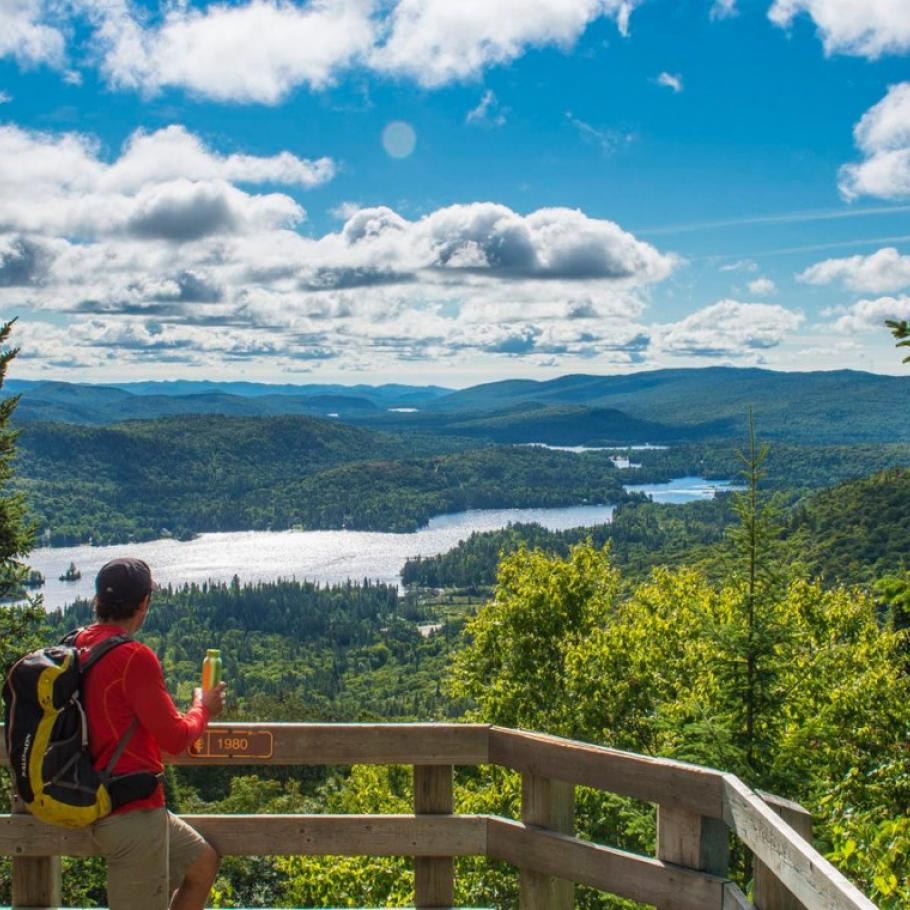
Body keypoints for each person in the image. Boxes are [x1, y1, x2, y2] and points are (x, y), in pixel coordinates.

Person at [76, 557, 227, 910]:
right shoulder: (134, 658)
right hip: (130, 816)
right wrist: (203, 706)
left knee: (202, 863)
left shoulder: (81, 643)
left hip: (98, 796)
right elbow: (175, 738)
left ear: (99, 600)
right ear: (143, 604)